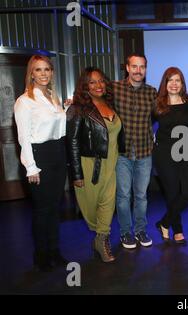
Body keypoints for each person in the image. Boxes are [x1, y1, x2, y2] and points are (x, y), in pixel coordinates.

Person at [14, 55, 67, 271]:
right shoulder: (24, 101)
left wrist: (65, 110)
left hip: (57, 153)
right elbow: (23, 137)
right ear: (31, 74)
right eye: (38, 70)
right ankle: (41, 255)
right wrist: (31, 166)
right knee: (42, 210)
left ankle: (54, 250)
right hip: (38, 156)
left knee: (55, 208)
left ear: (52, 72)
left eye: (47, 69)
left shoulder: (53, 97)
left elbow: (58, 130)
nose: (44, 73)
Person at [66, 67, 124, 262]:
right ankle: (98, 234)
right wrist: (76, 174)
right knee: (91, 209)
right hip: (89, 166)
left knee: (108, 204)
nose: (98, 85)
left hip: (112, 164)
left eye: (101, 81)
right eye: (92, 82)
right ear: (85, 86)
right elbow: (72, 141)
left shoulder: (111, 104)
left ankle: (102, 239)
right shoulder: (78, 109)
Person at [112, 53, 157, 249]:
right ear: (128, 68)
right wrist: (74, 102)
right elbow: (95, 102)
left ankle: (140, 230)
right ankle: (125, 233)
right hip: (121, 152)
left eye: (142, 67)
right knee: (123, 196)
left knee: (141, 196)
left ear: (146, 69)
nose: (139, 70)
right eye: (135, 66)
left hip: (144, 151)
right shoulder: (114, 89)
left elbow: (169, 106)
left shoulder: (152, 92)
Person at [153, 67, 188, 244]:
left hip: (185, 152)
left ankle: (164, 222)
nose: (173, 84)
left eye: (177, 80)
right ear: (165, 83)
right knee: (172, 193)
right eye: (170, 80)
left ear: (182, 83)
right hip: (164, 154)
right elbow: (142, 123)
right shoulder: (157, 104)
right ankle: (177, 230)